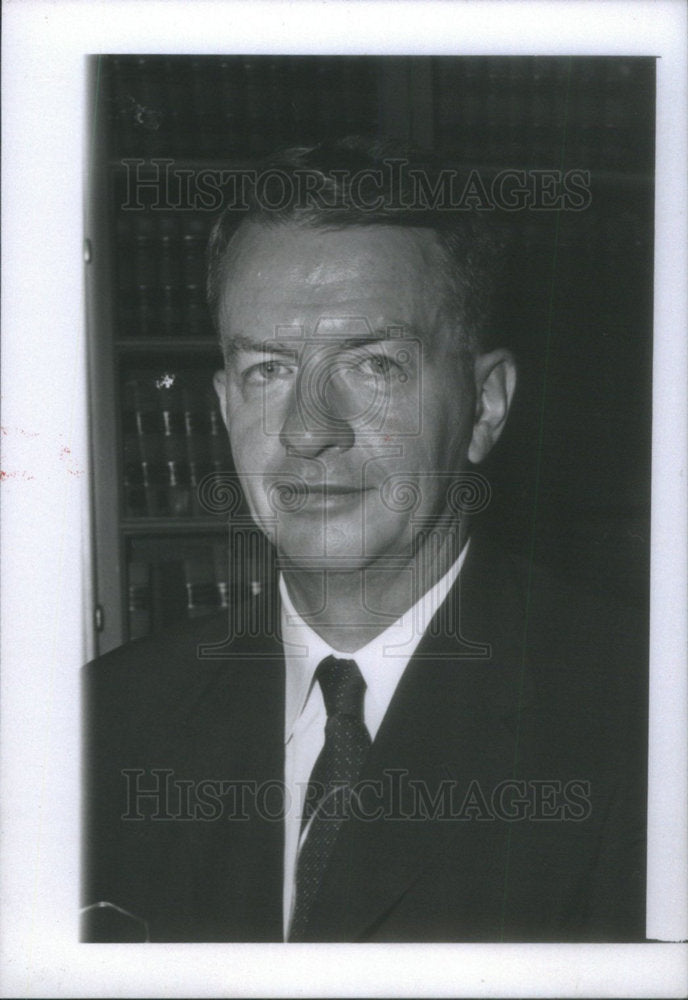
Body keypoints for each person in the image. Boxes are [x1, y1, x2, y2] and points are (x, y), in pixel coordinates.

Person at [83, 137, 647, 943]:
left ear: (485, 405)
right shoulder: (104, 722)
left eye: (374, 365)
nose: (309, 431)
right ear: (223, 407)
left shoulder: (644, 720)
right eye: (268, 370)